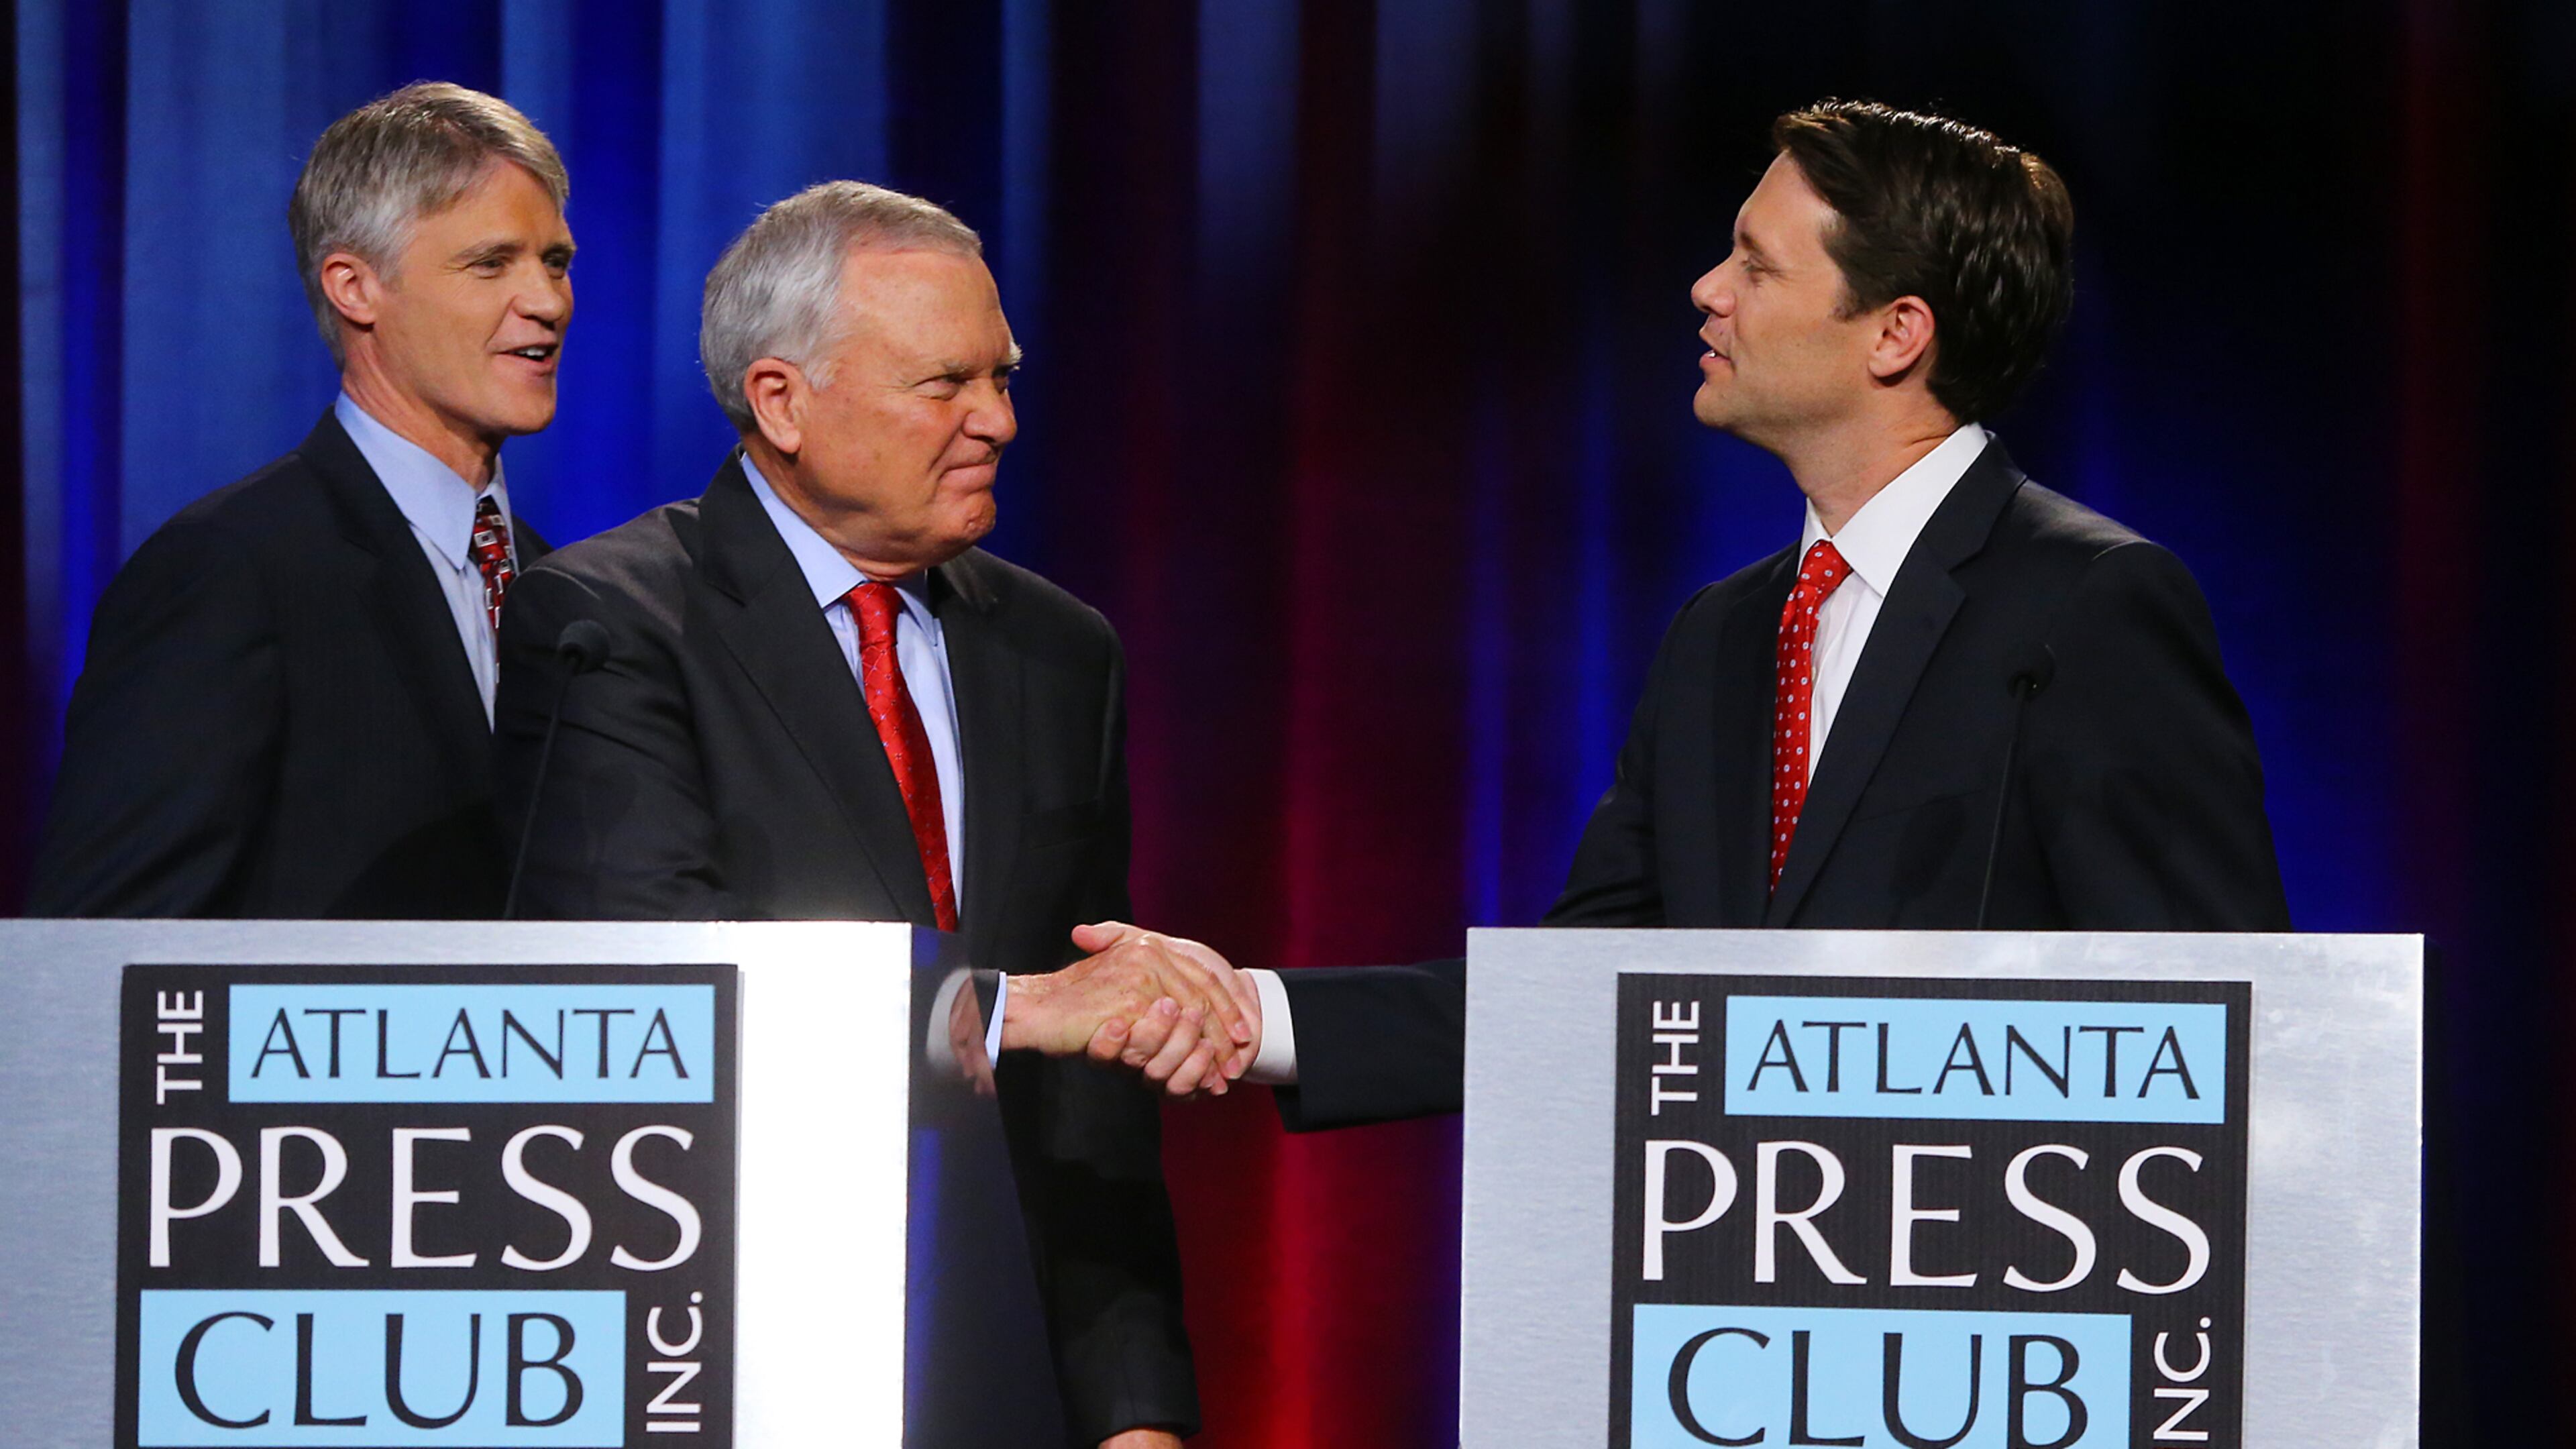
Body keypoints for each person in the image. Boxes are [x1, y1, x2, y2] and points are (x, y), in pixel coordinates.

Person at [1030, 99, 2294, 1131]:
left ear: (1896, 334)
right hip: (1740, 1339)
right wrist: (1249, 1013)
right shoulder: (1724, 639)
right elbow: (1592, 1000)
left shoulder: (2090, 604)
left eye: (1755, 263)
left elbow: (2230, 1032)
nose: (1706, 290)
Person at [492, 181, 1237, 1448]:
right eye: (942, 384)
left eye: (1001, 377)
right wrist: (1015, 1010)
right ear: (781, 400)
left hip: (992, 1369)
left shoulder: (1061, 651)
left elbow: (1093, 1101)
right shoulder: (609, 623)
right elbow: (663, 1005)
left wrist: (1136, 1409)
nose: (997, 421)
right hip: (719, 1354)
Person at [26, 83, 569, 918]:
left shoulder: (549, 581)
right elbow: (107, 947)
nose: (547, 301)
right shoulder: (231, 572)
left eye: (555, 261)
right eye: (491, 263)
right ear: (355, 287)